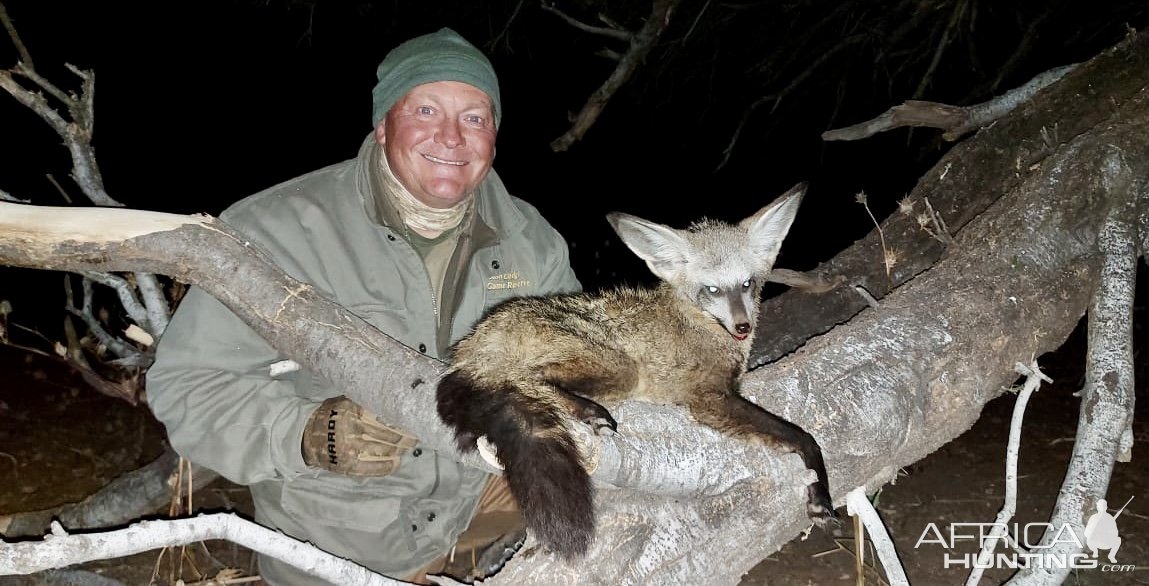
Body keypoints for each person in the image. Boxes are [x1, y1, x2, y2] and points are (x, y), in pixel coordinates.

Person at [146, 27, 581, 585]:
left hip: (480, 498)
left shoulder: (532, 241)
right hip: (344, 544)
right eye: (426, 110)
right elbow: (187, 387)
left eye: (474, 117)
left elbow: (576, 368)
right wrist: (305, 433)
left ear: (494, 134)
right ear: (382, 125)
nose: (451, 137)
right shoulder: (275, 231)